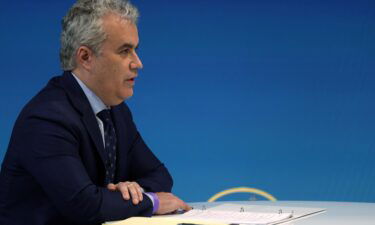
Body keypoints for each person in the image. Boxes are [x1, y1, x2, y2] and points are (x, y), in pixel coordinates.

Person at [0, 0, 190, 224]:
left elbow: (160, 176)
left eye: (135, 50)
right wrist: (152, 202)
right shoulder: (47, 118)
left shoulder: (116, 111)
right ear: (85, 58)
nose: (138, 63)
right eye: (125, 51)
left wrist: (129, 192)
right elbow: (85, 205)